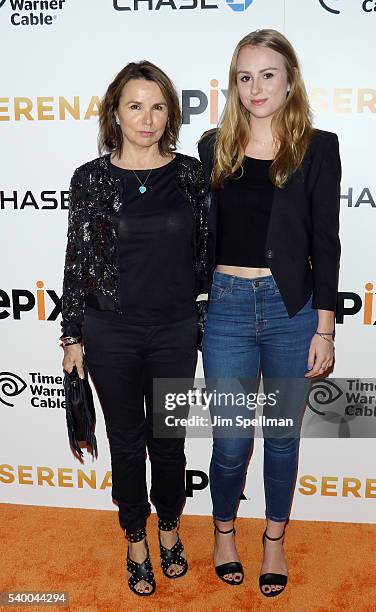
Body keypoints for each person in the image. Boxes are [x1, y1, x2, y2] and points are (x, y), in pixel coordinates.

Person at [198, 29, 341, 597]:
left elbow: (325, 243)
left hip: (292, 310)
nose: (256, 87)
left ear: (290, 79)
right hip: (227, 307)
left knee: (282, 437)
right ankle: (224, 531)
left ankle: (274, 540)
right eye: (244, 76)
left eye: (267, 74)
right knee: (231, 441)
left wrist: (325, 328)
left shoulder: (319, 146)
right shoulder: (214, 145)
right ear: (234, 84)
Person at [61, 61, 208, 597]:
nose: (146, 119)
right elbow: (76, 260)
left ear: (170, 112)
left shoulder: (192, 176)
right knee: (126, 444)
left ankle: (169, 527)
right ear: (115, 113)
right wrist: (72, 335)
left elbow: (206, 258)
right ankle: (135, 539)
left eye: (157, 106)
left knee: (168, 443)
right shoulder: (90, 179)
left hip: (173, 332)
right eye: (134, 106)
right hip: (111, 335)